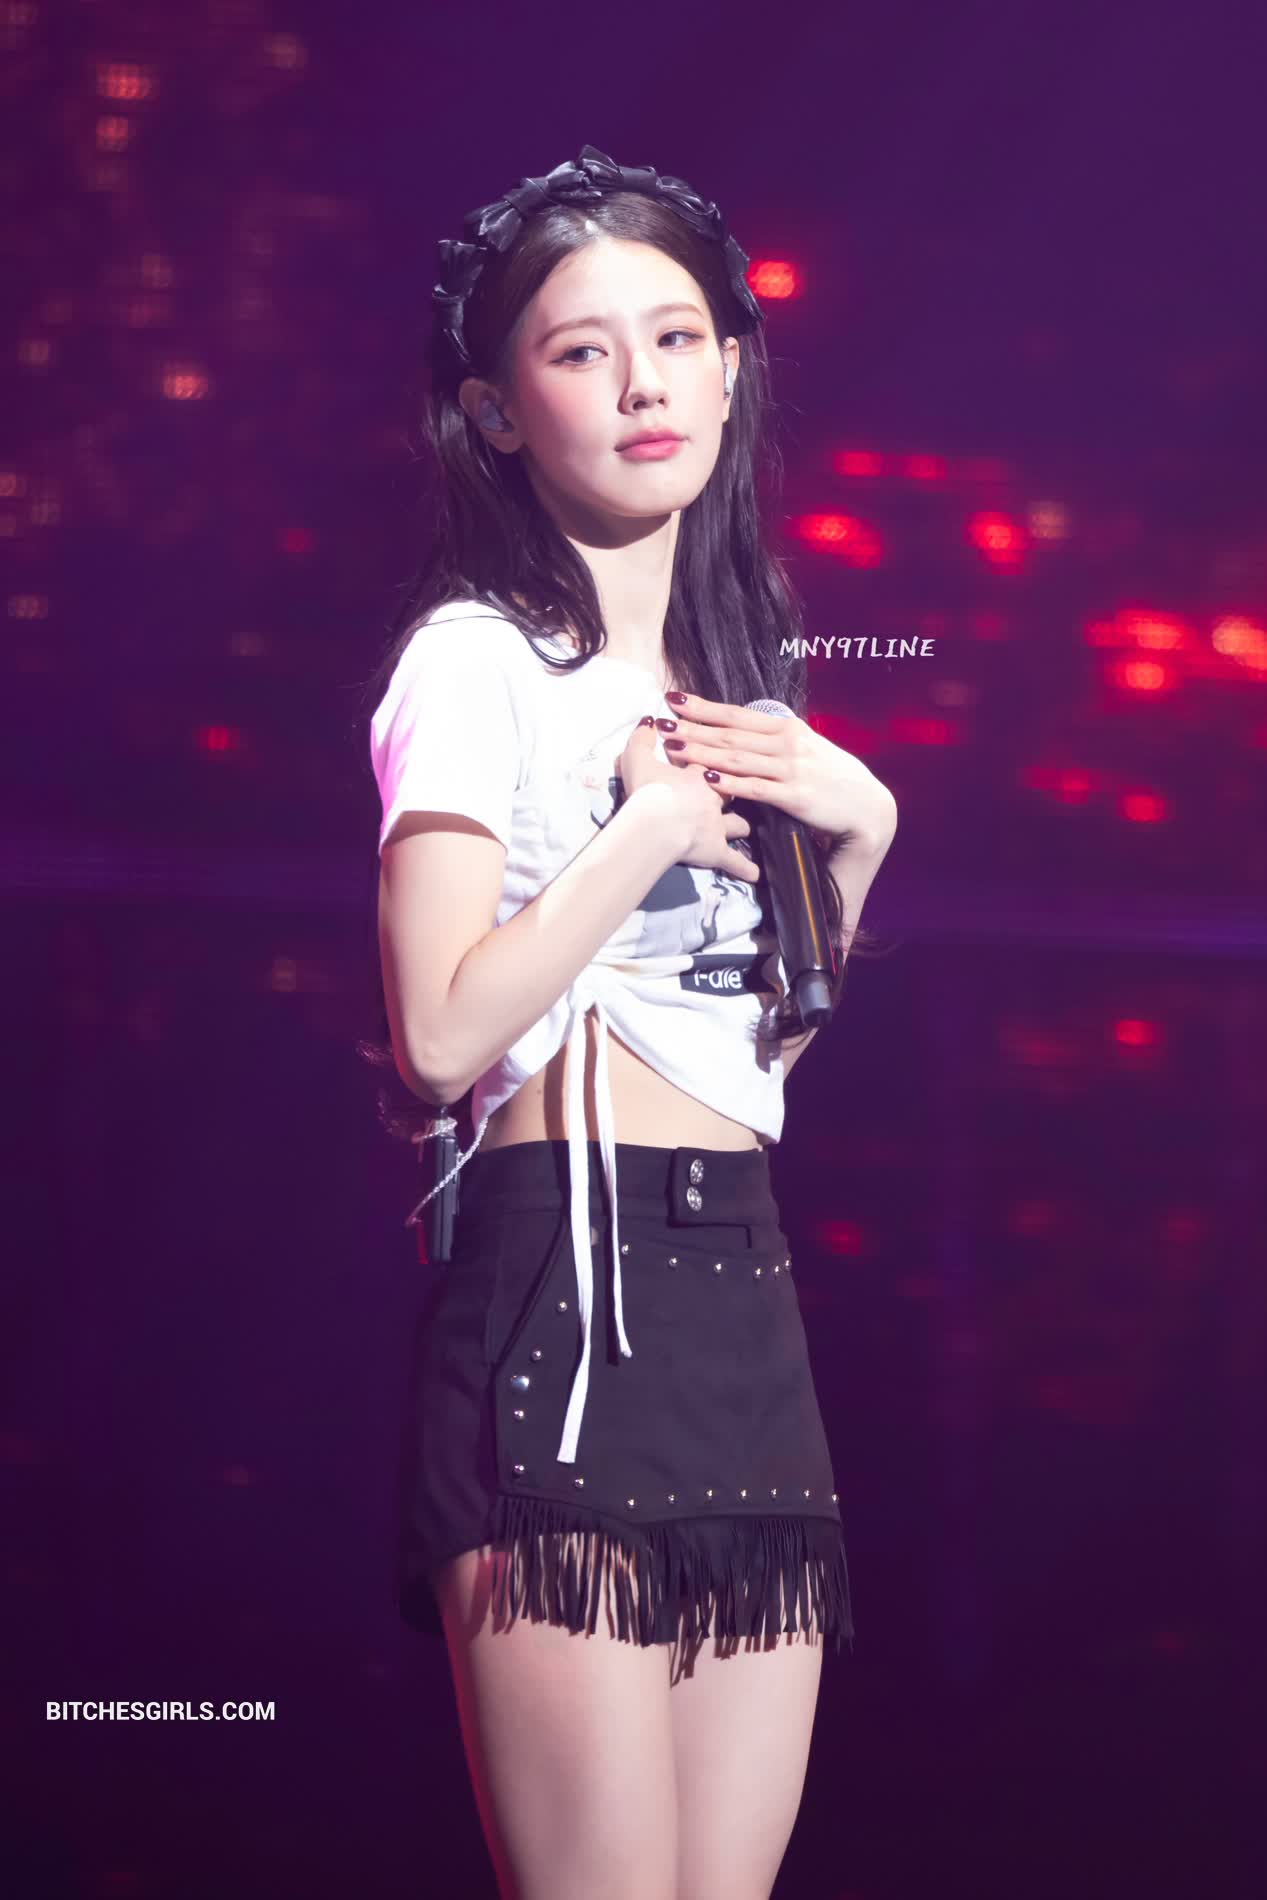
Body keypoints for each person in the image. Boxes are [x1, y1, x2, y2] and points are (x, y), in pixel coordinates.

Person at [366, 145, 898, 1900]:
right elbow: (440, 1036)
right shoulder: (472, 660)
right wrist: (644, 833)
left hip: (739, 1299)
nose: (644, 384)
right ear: (497, 411)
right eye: (582, 352)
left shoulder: (744, 682)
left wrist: (860, 846)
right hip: (560, 1303)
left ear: (732, 373)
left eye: (676, 340)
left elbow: (746, 1071)